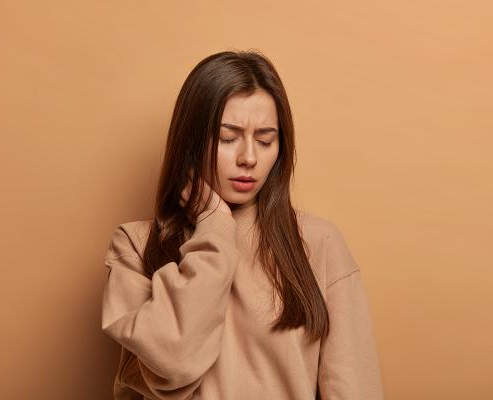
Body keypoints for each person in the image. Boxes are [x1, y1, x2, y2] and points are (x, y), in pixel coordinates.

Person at [101, 49, 384, 400]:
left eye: (266, 140)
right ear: (190, 142)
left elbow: (353, 388)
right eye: (227, 138)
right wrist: (214, 227)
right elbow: (173, 362)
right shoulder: (134, 245)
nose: (249, 157)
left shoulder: (317, 242)